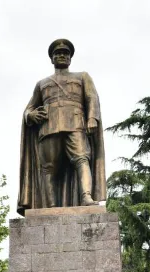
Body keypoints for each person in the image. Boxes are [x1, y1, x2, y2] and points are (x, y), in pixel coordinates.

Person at [17, 38, 105, 212]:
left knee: (82, 159)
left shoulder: (82, 76)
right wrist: (31, 115)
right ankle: (50, 206)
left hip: (76, 125)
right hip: (49, 128)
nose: (62, 56)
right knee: (48, 168)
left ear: (70, 58)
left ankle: (86, 196)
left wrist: (92, 118)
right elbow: (28, 109)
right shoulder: (42, 83)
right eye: (58, 53)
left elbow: (92, 98)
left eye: (65, 53)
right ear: (52, 59)